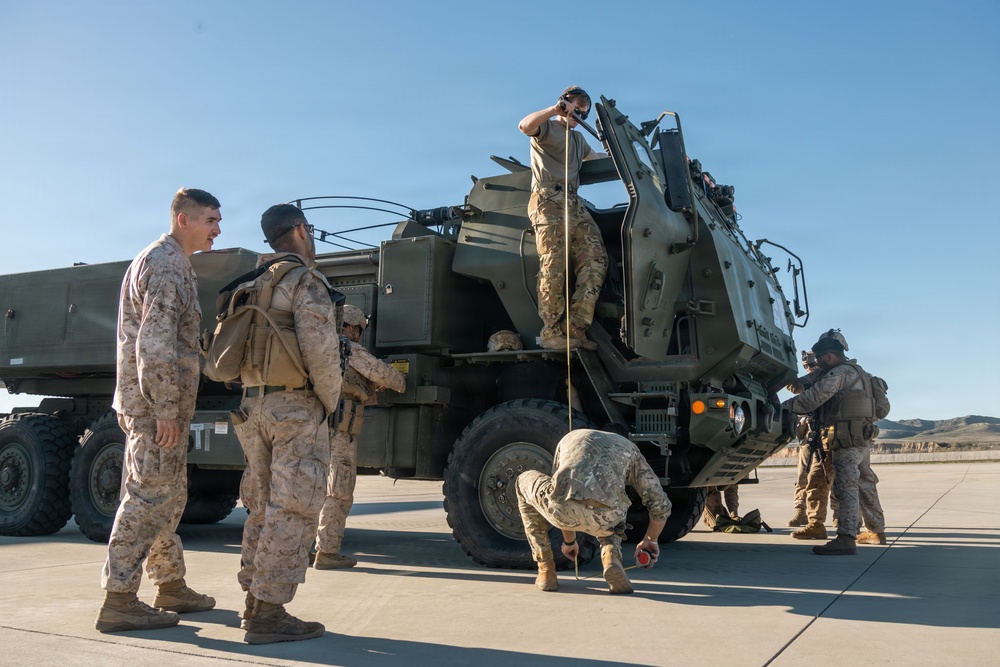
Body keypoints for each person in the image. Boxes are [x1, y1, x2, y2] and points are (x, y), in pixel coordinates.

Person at [96, 188, 222, 633]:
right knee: (148, 497)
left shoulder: (172, 262)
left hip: (158, 404)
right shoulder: (165, 264)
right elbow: (154, 342)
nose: (218, 229)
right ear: (184, 220)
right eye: (210, 220)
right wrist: (165, 407)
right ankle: (119, 599)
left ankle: (169, 584)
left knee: (167, 496)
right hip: (155, 407)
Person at [233, 204, 343, 644]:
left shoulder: (253, 281)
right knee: (294, 508)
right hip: (295, 407)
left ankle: (253, 601)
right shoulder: (304, 280)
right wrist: (328, 403)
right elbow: (321, 351)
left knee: (261, 507)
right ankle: (270, 612)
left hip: (253, 406)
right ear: (300, 230)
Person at [515, 427, 672, 594]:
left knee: (522, 481)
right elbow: (659, 502)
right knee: (614, 510)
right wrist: (651, 539)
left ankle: (546, 569)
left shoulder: (571, 437)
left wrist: (570, 542)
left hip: (563, 512)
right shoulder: (630, 449)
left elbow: (561, 491)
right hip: (607, 519)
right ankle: (611, 556)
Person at [314, 304, 407, 569]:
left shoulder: (316, 346)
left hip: (313, 427)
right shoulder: (349, 348)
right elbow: (388, 377)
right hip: (339, 431)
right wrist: (400, 378)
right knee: (339, 490)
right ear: (353, 328)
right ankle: (327, 552)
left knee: (311, 488)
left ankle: (300, 550)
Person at [518, 86, 609, 351]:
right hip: (548, 199)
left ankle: (575, 329)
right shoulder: (547, 128)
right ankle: (550, 332)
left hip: (573, 201)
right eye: (575, 108)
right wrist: (553, 110)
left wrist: (634, 154)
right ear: (564, 103)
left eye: (583, 112)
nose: (578, 115)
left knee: (596, 259)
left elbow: (596, 157)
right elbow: (524, 126)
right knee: (553, 264)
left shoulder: (578, 140)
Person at [782, 335, 887, 555]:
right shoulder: (859, 372)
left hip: (845, 439)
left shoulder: (840, 373)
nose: (817, 362)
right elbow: (801, 385)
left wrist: (779, 409)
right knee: (860, 482)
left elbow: (812, 398)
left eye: (819, 358)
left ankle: (846, 538)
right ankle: (874, 530)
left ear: (829, 356)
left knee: (845, 486)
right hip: (855, 437)